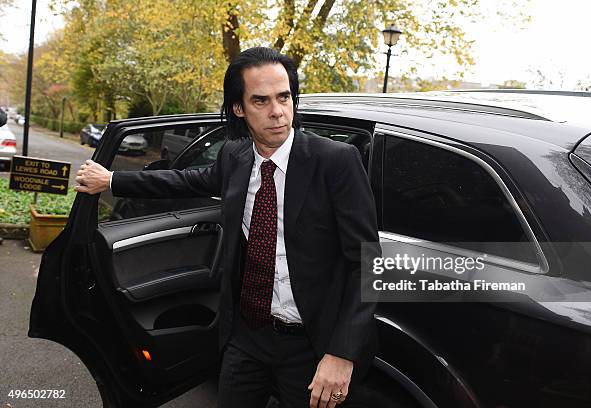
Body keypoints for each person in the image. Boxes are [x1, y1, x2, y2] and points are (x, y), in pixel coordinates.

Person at [75, 47, 380, 408]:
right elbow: (185, 180)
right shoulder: (235, 157)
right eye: (261, 101)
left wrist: (341, 353)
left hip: (312, 346)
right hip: (247, 338)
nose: (277, 112)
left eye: (284, 97)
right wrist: (111, 181)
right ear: (239, 108)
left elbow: (367, 261)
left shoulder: (336, 161)